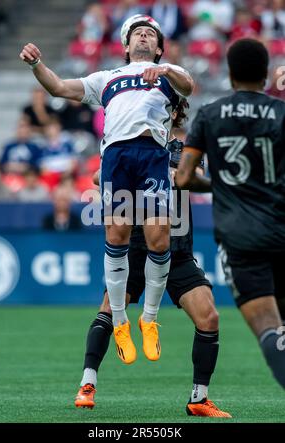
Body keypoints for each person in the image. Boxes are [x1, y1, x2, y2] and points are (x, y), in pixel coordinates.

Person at [20, 14, 194, 365]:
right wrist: (38, 64)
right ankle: (119, 321)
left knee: (159, 237)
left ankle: (149, 320)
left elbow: (189, 85)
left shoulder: (169, 75)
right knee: (117, 235)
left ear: (159, 48)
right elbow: (58, 87)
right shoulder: (107, 78)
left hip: (152, 155)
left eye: (150, 35)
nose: (143, 37)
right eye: (137, 34)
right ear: (126, 46)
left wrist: (166, 70)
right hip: (116, 156)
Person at [74, 100, 231, 418]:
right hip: (135, 246)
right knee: (108, 310)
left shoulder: (184, 151)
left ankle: (199, 399)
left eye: (167, 106)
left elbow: (193, 177)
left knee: (209, 317)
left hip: (177, 250)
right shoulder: (130, 144)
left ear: (174, 113)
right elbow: (96, 177)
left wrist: (178, 174)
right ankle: (87, 384)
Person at [176, 38, 285, 390]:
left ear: (230, 74)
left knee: (270, 328)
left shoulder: (210, 114)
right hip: (280, 228)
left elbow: (183, 177)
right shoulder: (281, 113)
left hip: (241, 238)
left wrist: (221, 184)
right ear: (266, 75)